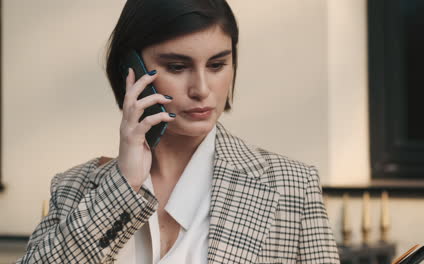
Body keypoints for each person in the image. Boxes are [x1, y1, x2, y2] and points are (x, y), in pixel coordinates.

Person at [17, 0, 340, 263]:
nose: (201, 89)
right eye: (177, 67)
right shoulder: (74, 187)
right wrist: (123, 185)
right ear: (132, 70)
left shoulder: (292, 186)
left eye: (216, 65)